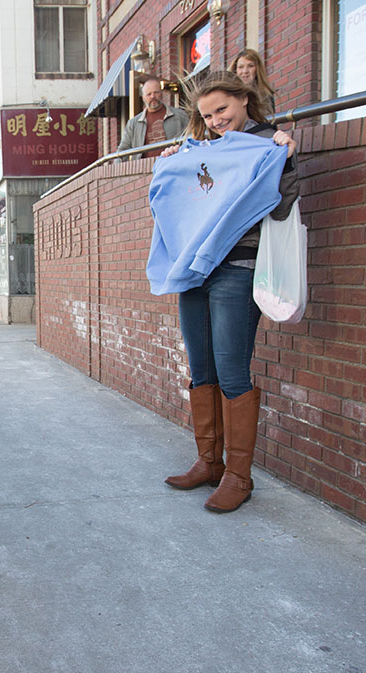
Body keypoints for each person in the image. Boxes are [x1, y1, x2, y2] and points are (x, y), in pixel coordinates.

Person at [153, 73, 298, 513]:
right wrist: (173, 162)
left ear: (243, 99)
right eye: (207, 115)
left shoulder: (267, 143)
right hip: (193, 269)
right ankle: (209, 462)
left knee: (232, 370)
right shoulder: (201, 151)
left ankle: (239, 477)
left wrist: (285, 159)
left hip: (237, 266)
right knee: (201, 368)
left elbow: (284, 203)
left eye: (223, 109)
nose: (216, 120)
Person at [117, 78, 190, 158]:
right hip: (144, 168)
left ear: (161, 93)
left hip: (173, 164)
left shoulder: (180, 116)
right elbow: (123, 150)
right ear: (143, 98)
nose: (153, 96)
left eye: (156, 92)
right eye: (149, 94)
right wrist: (115, 168)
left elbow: (192, 139)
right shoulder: (134, 123)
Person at [228, 49, 276, 117]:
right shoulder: (229, 93)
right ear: (236, 71)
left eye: (250, 66)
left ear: (257, 69)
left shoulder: (267, 94)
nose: (245, 71)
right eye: (241, 67)